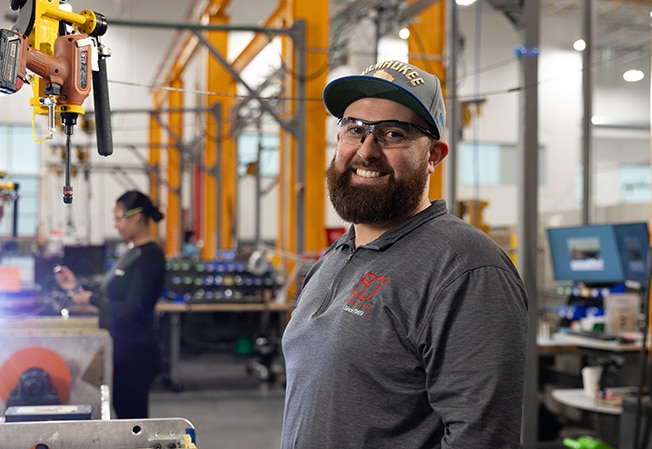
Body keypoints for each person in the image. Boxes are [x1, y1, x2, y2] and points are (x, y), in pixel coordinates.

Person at [280, 60, 529, 448]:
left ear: (434, 156)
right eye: (354, 129)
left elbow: (482, 439)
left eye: (392, 134)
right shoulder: (335, 257)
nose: (366, 150)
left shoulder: (466, 268)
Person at [54, 190, 166, 419]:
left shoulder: (150, 257)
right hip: (120, 349)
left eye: (118, 218)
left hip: (135, 354)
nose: (115, 225)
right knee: (123, 416)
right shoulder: (131, 253)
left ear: (136, 217)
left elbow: (133, 309)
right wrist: (76, 286)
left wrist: (90, 300)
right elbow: (109, 291)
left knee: (132, 422)